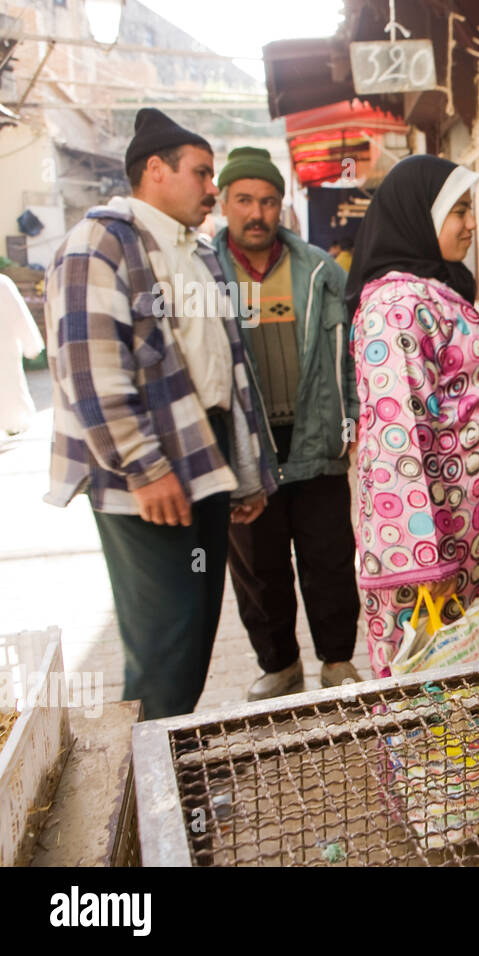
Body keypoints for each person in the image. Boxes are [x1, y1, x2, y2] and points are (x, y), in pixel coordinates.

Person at [44, 109, 276, 719]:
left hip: (205, 455)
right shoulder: (100, 244)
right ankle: (143, 798)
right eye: (201, 174)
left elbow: (229, 371)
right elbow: (89, 372)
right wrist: (144, 468)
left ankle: (173, 777)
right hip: (148, 469)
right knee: (164, 636)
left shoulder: (193, 252)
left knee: (197, 623)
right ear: (155, 169)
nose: (211, 191)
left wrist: (245, 473)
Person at [345, 155, 479, 678]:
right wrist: (424, 562)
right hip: (442, 553)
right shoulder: (396, 308)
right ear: (418, 217)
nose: (472, 224)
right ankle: (472, 764)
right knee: (447, 691)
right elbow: (396, 442)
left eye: (470, 208)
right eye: (459, 210)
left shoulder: (435, 294)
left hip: (475, 539)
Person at [213, 147, 361, 699]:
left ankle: (338, 660)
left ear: (282, 207)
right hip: (246, 451)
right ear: (225, 203)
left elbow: (347, 358)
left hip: (316, 440)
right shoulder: (206, 273)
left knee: (328, 557)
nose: (257, 212)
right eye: (245, 200)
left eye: (268, 201)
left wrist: (349, 423)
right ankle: (279, 665)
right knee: (258, 567)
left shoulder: (319, 270)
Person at [0, 273, 43, 435]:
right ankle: (14, 422)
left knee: (10, 385)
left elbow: (19, 315)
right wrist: (31, 345)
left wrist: (31, 345)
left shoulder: (3, 283)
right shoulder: (3, 283)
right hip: (5, 346)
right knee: (10, 385)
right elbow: (19, 316)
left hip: (5, 346)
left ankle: (15, 422)